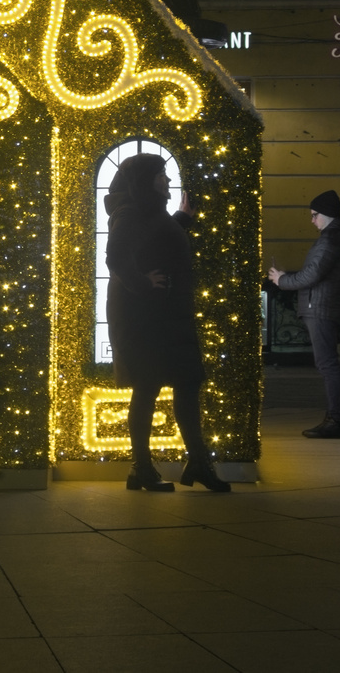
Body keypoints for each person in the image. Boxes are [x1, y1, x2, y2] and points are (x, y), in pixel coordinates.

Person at [104, 152, 230, 493]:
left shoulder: (148, 212)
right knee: (148, 387)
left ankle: (198, 462)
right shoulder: (129, 212)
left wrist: (180, 220)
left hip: (168, 315)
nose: (168, 180)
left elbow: (153, 242)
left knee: (187, 383)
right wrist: (144, 283)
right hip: (144, 318)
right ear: (144, 180)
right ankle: (142, 468)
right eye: (161, 176)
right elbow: (115, 256)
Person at [268, 189, 340, 439]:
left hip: (320, 308)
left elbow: (313, 274)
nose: (311, 220)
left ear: (326, 215)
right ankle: (335, 419)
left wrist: (282, 279)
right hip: (321, 306)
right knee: (327, 364)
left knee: (328, 365)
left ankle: (336, 421)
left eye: (314, 215)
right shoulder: (335, 238)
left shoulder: (331, 239)